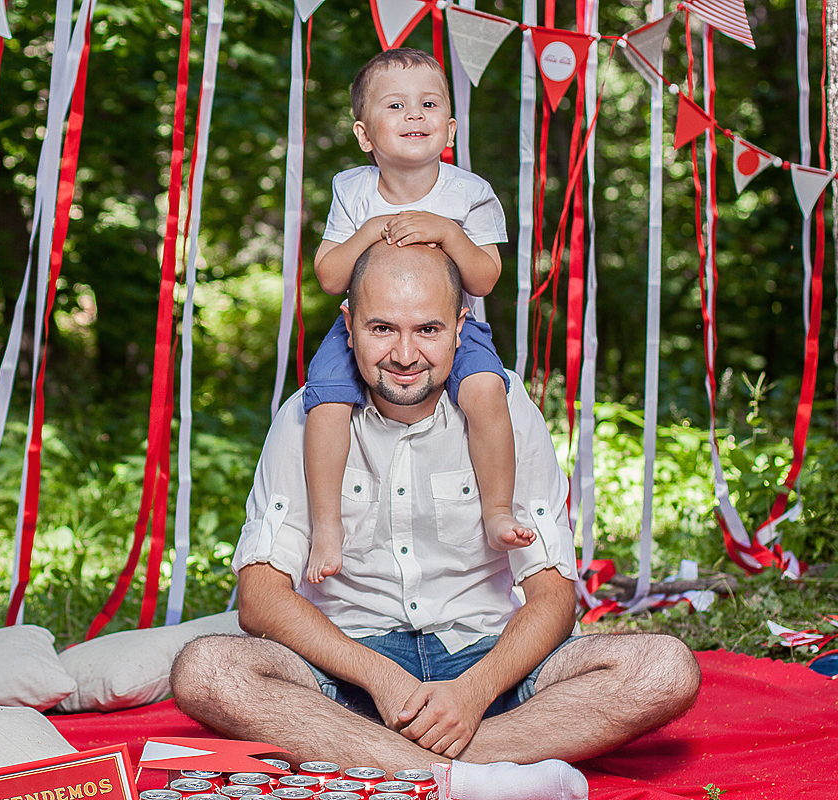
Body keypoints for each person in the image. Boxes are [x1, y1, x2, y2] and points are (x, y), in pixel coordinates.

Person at [170, 241, 702, 800]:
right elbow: (260, 597)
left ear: (459, 325)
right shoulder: (308, 417)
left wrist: (472, 694)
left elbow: (552, 597)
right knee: (207, 670)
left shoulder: (504, 407)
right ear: (348, 326)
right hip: (348, 670)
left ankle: (378, 757)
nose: (404, 355)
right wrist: (380, 677)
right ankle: (470, 778)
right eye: (381, 329)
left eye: (427, 330)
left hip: (486, 662)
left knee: (664, 669)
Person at [305, 47, 534, 586]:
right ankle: (326, 524)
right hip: (364, 329)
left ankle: (498, 507)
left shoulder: (469, 194)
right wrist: (367, 231)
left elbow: (483, 280)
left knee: (484, 390)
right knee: (325, 400)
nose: (414, 115)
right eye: (396, 106)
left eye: (428, 104)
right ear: (365, 135)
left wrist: (450, 233)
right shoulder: (352, 189)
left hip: (451, 328)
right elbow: (329, 276)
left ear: (449, 127)